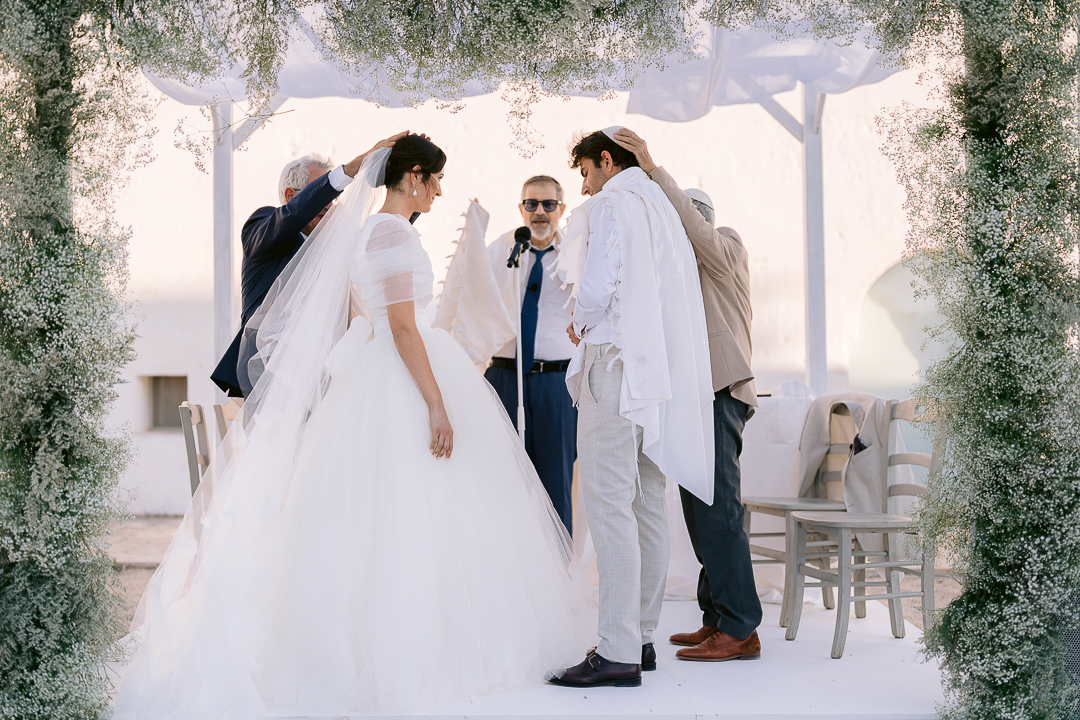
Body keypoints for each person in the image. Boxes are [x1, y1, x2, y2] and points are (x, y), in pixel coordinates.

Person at [112, 134, 588, 718]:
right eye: (436, 179)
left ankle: (405, 633)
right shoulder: (386, 231)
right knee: (409, 512)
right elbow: (403, 328)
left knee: (394, 516)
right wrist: (437, 404)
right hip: (401, 373)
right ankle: (402, 648)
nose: (440, 190)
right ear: (413, 177)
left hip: (379, 369)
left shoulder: (373, 233)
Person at [549, 128, 715, 689]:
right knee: (646, 501)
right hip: (653, 373)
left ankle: (616, 648)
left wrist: (580, 317)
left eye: (586, 172)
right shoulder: (660, 206)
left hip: (615, 364)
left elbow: (599, 284)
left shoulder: (616, 203)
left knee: (608, 501)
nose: (584, 185)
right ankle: (641, 637)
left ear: (604, 161)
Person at [614, 128, 762, 662]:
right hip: (697, 398)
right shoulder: (677, 272)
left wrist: (654, 172)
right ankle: (719, 616)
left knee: (719, 509)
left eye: (682, 221)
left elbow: (698, 235)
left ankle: (742, 627)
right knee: (700, 507)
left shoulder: (725, 245)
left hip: (723, 390)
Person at [211, 134, 404, 397]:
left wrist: (406, 188)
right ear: (292, 195)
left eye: (334, 196)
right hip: (267, 378)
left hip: (324, 377)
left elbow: (374, 250)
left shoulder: (331, 244)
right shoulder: (263, 225)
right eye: (323, 192)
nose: (331, 202)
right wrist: (348, 171)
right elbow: (292, 215)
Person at [484, 176, 577, 534]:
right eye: (532, 204)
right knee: (501, 479)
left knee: (556, 481)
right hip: (505, 378)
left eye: (548, 204)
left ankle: (559, 578)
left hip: (556, 382)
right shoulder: (500, 251)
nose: (540, 213)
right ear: (521, 208)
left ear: (561, 209)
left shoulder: (576, 253)